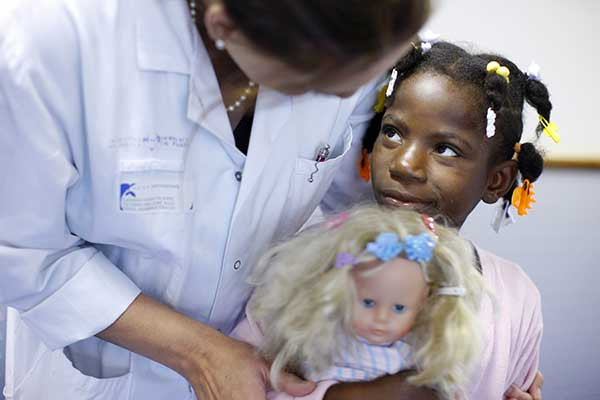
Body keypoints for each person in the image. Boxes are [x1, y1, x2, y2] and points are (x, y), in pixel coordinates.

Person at [0, 0, 430, 399]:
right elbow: (24, 252)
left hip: (262, 357)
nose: (343, 96)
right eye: (320, 80)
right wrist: (199, 352)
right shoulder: (49, 41)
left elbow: (357, 210)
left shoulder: (345, 36)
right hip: (92, 370)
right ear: (223, 24)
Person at [342, 39, 552, 400]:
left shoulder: (516, 296)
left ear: (496, 180)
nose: (404, 165)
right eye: (391, 132)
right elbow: (247, 380)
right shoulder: (313, 265)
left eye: (445, 149)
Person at [233, 206, 486, 400]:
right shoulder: (324, 343)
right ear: (342, 290)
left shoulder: (418, 354)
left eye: (399, 308)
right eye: (367, 302)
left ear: (424, 302)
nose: (381, 318)